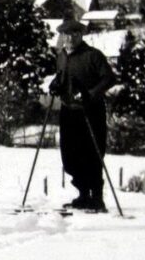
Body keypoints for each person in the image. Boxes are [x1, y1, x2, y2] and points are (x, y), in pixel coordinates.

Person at [47, 18, 117, 211]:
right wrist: (55, 85)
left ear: (81, 35)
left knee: (92, 154)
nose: (70, 38)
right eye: (66, 34)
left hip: (90, 111)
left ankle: (96, 198)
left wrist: (90, 94)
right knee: (70, 155)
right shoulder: (61, 56)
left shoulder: (93, 55)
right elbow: (62, 77)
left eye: (75, 34)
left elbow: (109, 78)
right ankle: (83, 194)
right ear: (61, 36)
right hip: (68, 111)